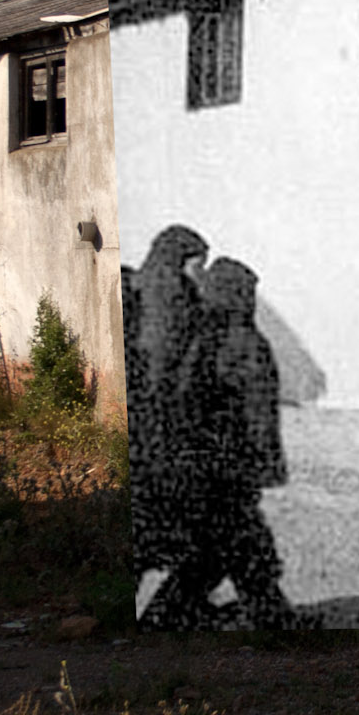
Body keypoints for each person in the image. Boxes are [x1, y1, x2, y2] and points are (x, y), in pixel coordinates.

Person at [142, 258, 300, 629]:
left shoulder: (193, 333)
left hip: (197, 462)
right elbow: (258, 411)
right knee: (243, 547)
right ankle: (273, 621)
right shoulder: (243, 341)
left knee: (219, 548)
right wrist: (264, 464)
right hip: (231, 463)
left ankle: (170, 615)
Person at [130, 225, 210, 589]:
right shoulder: (170, 294)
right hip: (160, 415)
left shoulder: (150, 285)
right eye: (198, 263)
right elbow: (161, 357)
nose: (201, 272)